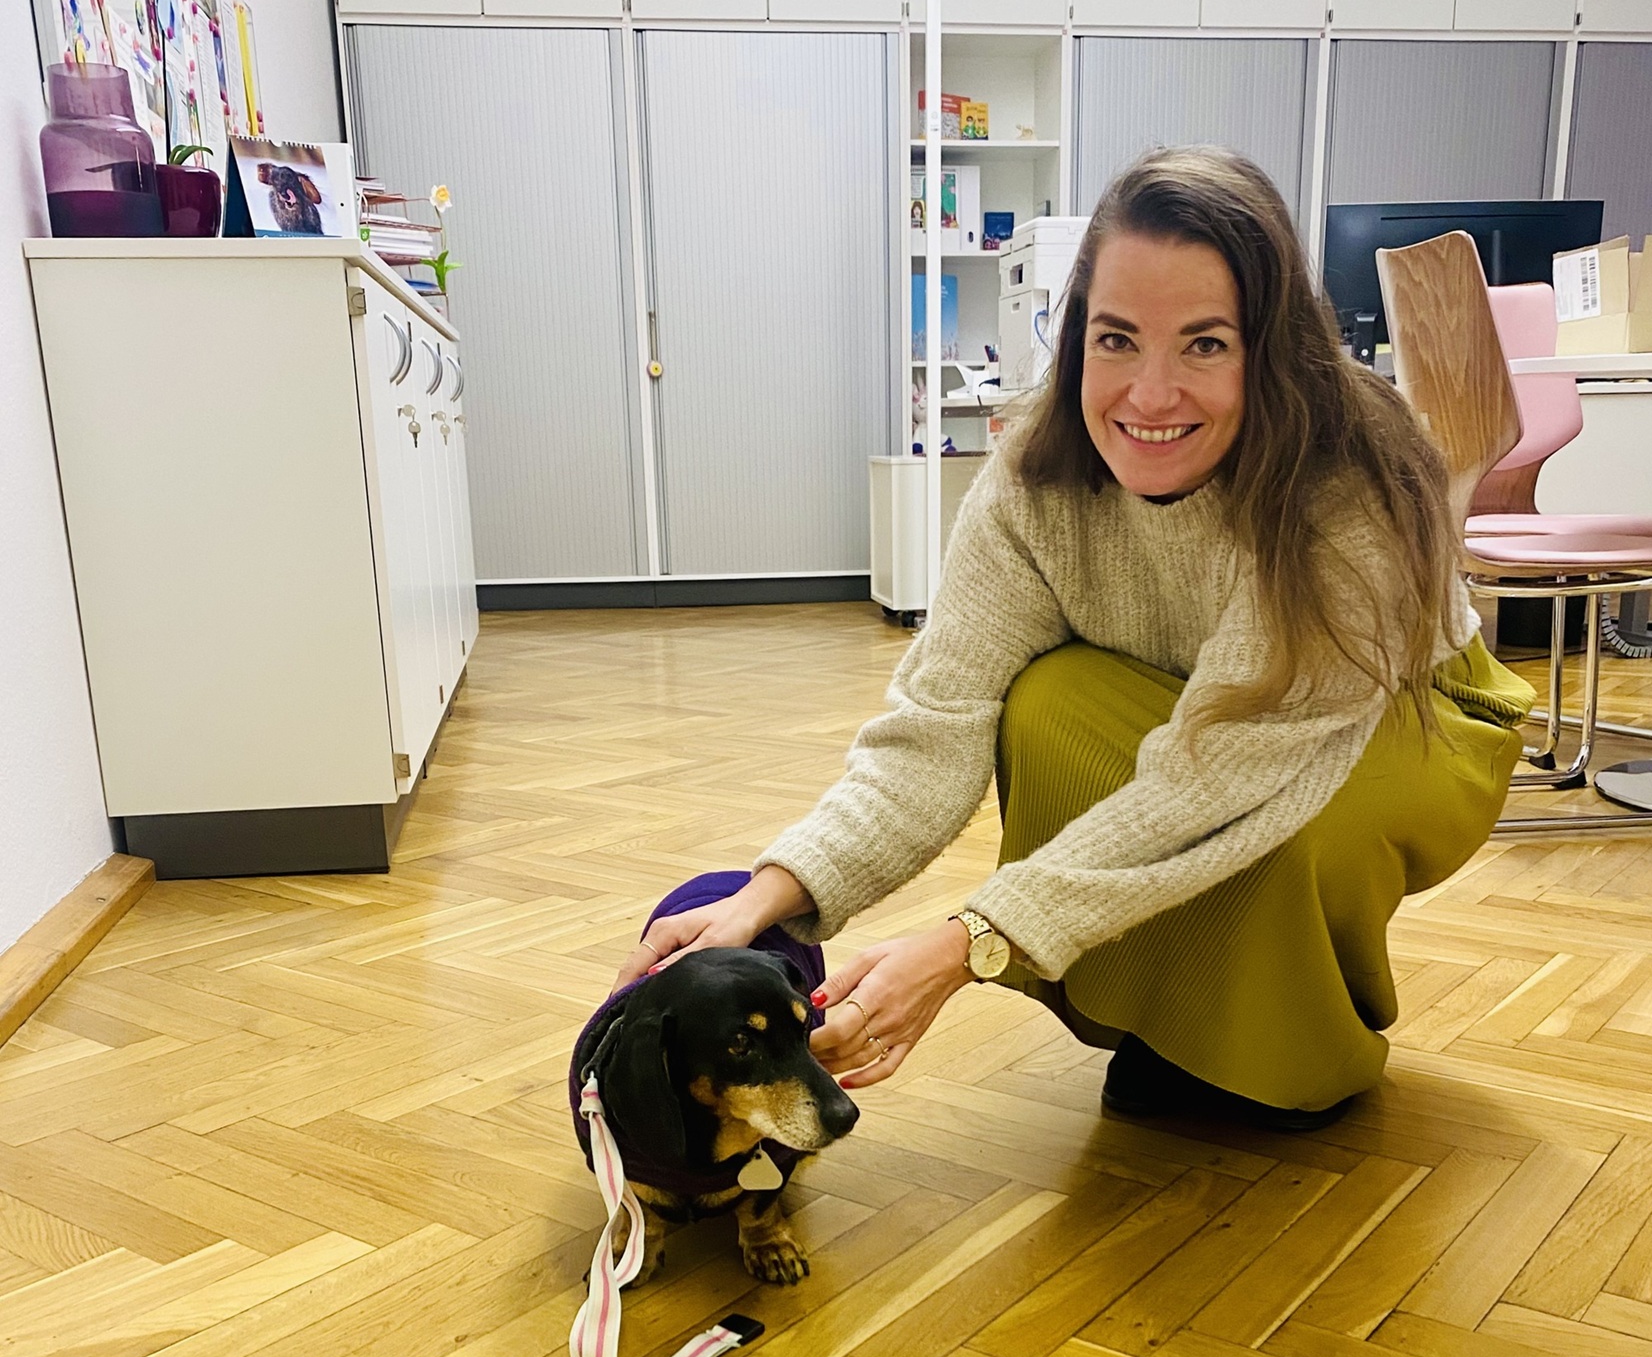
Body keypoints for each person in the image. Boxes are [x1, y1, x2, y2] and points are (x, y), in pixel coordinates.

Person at [616, 146, 1532, 1132]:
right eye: (1116, 339)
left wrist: (972, 940)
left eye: (1205, 344)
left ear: (1271, 349)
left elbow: (1224, 774)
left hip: (1405, 718)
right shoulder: (1034, 483)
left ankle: (1299, 1052)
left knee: (1290, 821)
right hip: (1194, 720)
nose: (1149, 395)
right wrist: (768, 893)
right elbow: (934, 725)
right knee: (1043, 702)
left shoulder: (1343, 482)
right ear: (1076, 336)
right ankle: (1171, 1017)